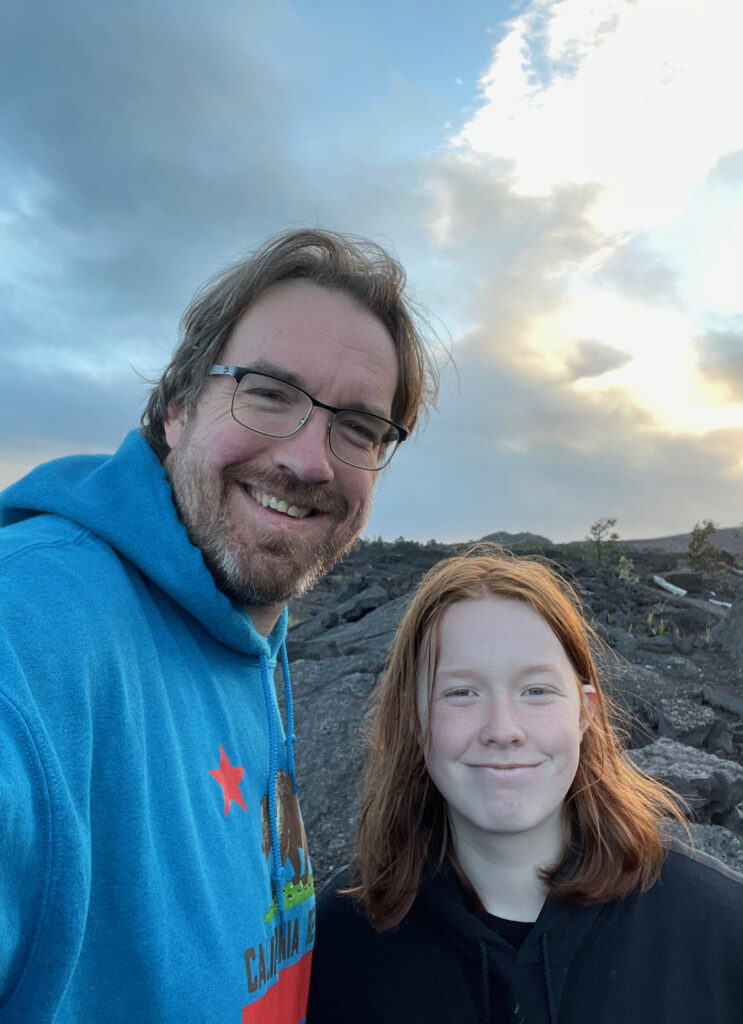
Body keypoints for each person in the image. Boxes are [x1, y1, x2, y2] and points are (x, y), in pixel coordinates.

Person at [0, 229, 437, 1024]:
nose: (310, 462)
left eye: (359, 429)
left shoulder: (251, 637)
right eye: (268, 393)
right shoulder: (32, 625)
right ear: (177, 409)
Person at [307, 553, 743, 1024]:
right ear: (415, 718)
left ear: (586, 711)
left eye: (537, 690)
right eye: (461, 692)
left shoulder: (729, 934)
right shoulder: (336, 946)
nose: (503, 729)